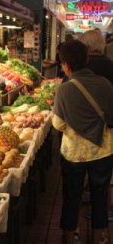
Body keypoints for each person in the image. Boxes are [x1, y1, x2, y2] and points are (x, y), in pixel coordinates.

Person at [52, 40, 113, 244]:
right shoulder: (105, 84)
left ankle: (70, 237)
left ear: (67, 64)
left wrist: (75, 124)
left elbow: (58, 124)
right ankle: (99, 237)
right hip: (102, 151)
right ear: (86, 60)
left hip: (73, 153)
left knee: (71, 196)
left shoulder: (64, 89)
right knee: (100, 196)